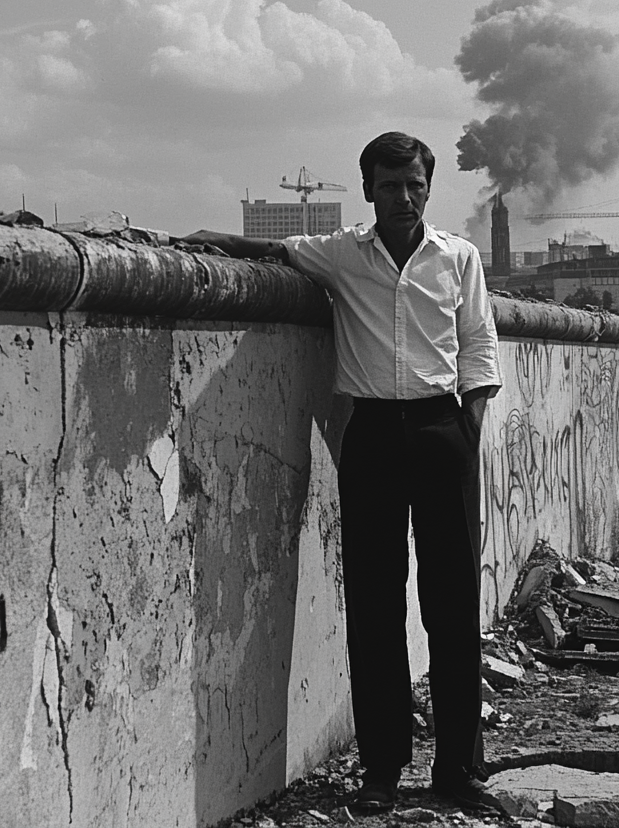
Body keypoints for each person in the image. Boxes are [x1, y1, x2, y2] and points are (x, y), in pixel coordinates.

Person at [183, 132, 502, 813]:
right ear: (369, 190)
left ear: (428, 185)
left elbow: (478, 345)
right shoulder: (340, 255)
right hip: (374, 435)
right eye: (390, 185)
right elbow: (269, 251)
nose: (404, 197)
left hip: (443, 431)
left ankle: (459, 770)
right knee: (375, 603)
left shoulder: (459, 257)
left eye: (415, 184)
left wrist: (470, 427)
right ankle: (382, 769)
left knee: (452, 603)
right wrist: (198, 239)